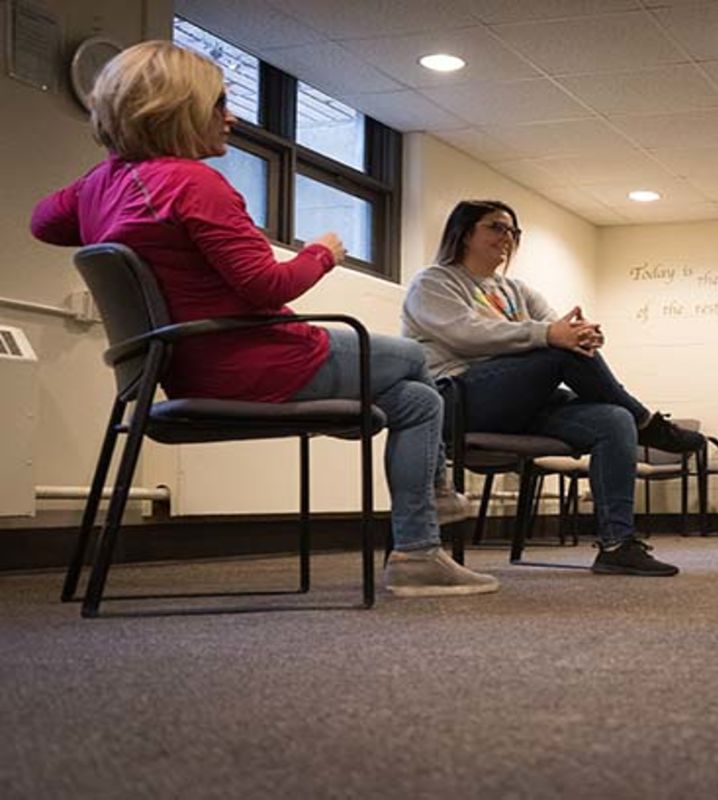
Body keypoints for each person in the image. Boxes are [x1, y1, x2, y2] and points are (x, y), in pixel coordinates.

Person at [29, 41, 497, 598]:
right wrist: (322, 252)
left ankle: (418, 552)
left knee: (417, 401)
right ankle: (434, 499)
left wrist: (114, 176)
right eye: (219, 104)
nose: (230, 117)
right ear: (176, 110)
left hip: (181, 371)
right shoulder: (194, 184)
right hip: (260, 364)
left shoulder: (100, 186)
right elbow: (267, 286)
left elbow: (43, 222)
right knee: (415, 355)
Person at [402, 200, 706, 577]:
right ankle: (647, 422)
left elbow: (557, 330)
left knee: (613, 419)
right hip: (459, 397)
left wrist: (582, 334)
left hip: (520, 403)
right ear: (464, 233)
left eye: (513, 230)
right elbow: (467, 334)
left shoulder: (517, 290)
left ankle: (617, 545)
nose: (507, 237)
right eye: (496, 227)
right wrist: (552, 335)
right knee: (560, 352)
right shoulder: (433, 282)